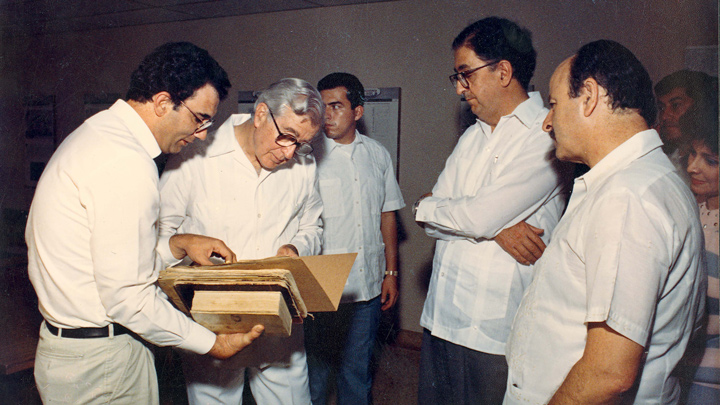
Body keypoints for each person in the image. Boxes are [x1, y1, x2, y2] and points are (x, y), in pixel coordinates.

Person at [25, 42, 264, 405]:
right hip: (103, 364)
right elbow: (128, 299)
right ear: (163, 102)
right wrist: (212, 342)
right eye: (200, 119)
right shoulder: (126, 162)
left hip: (73, 354)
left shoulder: (96, 135)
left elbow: (105, 258)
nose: (201, 135)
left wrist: (176, 245)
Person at [504, 40, 706, 404]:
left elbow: (608, 373)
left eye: (553, 104)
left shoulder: (627, 196)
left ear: (589, 97)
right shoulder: (649, 180)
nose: (547, 122)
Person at [412, 17, 567, 404]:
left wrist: (467, 215)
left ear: (503, 71)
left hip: (493, 330)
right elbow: (428, 214)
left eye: (466, 74)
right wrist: (494, 226)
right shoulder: (471, 136)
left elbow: (463, 213)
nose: (461, 89)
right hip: (440, 318)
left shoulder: (544, 135)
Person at [158, 78, 324, 404]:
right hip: (214, 318)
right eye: (287, 136)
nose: (290, 152)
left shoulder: (304, 164)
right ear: (261, 113)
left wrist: (295, 249)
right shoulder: (196, 154)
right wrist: (186, 243)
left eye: (302, 143)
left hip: (280, 315)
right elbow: (160, 235)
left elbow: (313, 227)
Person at [304, 72, 405, 405]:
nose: (327, 115)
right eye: (322, 106)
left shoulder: (377, 155)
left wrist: (391, 273)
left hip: (367, 285)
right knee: (315, 379)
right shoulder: (307, 158)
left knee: (357, 373)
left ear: (358, 112)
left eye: (336, 106)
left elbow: (386, 214)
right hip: (323, 288)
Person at [681, 94, 720, 403]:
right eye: (692, 154)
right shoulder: (689, 208)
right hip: (680, 368)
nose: (693, 167)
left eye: (710, 160)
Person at [654, 69, 716, 172]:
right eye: (661, 108)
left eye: (676, 105)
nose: (664, 116)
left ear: (699, 107)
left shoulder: (713, 160)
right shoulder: (664, 158)